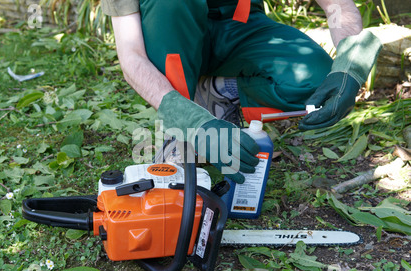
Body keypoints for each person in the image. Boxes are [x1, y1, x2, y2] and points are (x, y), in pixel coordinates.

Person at [101, 0, 382, 183]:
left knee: (315, 79)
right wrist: (191, 123)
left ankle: (219, 94)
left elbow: (338, 6)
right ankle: (183, 130)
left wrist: (349, 68)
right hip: (172, 33)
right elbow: (131, 57)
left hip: (239, 29)